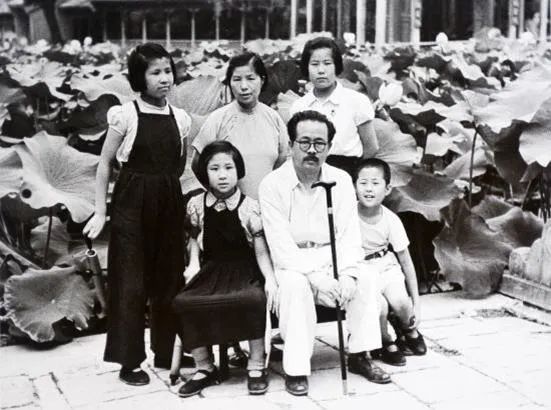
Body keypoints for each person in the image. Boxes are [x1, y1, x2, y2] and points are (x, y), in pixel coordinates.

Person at [258, 110, 390, 397]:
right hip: (293, 263)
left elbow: (349, 235)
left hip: (333, 258)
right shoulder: (272, 185)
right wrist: (317, 279)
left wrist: (348, 274)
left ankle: (360, 355)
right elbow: (280, 246)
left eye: (319, 143)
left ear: (329, 147)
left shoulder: (340, 180)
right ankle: (296, 368)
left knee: (366, 277)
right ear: (291, 145)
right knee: (294, 286)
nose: (312, 150)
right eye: (304, 142)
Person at [82, 43, 191, 386]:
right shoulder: (125, 115)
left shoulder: (181, 118)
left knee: (169, 277)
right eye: (155, 72)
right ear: (139, 78)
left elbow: (179, 164)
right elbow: (104, 163)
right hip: (132, 201)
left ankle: (166, 350)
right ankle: (129, 360)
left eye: (167, 71)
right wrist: (100, 210)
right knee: (130, 282)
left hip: (168, 200)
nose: (164, 78)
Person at [172, 141, 279, 397]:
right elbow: (194, 241)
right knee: (184, 301)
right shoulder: (197, 204)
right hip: (211, 270)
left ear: (238, 170)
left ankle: (256, 365)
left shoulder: (249, 206)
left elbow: (260, 250)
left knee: (252, 299)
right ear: (205, 173)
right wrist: (193, 265)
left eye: (228, 168)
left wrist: (270, 278)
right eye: (215, 168)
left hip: (244, 270)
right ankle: (204, 367)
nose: (222, 175)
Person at [354, 158, 427, 366]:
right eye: (363, 183)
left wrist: (416, 305)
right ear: (354, 186)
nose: (369, 189)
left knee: (401, 302)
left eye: (375, 183)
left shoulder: (391, 219)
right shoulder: (347, 216)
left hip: (386, 266)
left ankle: (407, 329)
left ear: (387, 189)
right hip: (361, 269)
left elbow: (406, 261)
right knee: (380, 306)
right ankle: (386, 341)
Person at [191, 52, 289, 200]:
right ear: (230, 82)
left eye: (250, 78)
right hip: (228, 208)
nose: (244, 86)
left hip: (267, 205)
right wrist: (219, 195)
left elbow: (281, 163)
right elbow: (197, 164)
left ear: (262, 80)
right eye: (237, 79)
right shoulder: (218, 119)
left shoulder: (274, 118)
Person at [290, 37, 379, 177]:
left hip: (349, 172)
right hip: (310, 173)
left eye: (327, 63)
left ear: (337, 66)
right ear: (306, 68)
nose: (321, 70)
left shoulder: (357, 101)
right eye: (314, 64)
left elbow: (371, 148)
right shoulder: (299, 106)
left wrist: (354, 177)